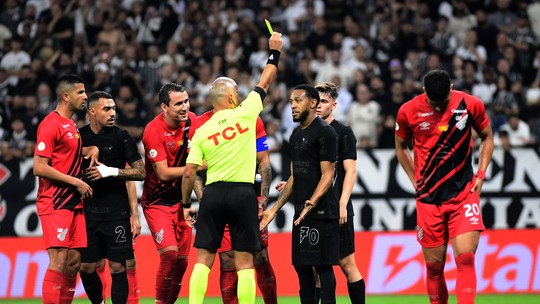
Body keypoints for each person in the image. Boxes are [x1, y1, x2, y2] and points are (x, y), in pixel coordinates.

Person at [181, 31, 283, 304]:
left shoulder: (201, 131)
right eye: (236, 92)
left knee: (203, 259)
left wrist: (184, 203)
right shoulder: (247, 113)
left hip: (213, 195)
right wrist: (274, 51)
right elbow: (266, 79)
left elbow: (190, 172)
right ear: (228, 98)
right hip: (242, 194)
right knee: (245, 262)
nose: (239, 95)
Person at [394, 69, 494, 304]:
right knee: (434, 269)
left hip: (463, 196)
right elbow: (401, 145)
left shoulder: (470, 104)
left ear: (451, 89)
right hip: (428, 201)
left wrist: (481, 174)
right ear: (423, 92)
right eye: (432, 102)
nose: (438, 107)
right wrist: (414, 179)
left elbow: (487, 136)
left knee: (466, 260)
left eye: (443, 102)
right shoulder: (408, 110)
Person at [260, 84, 340, 303]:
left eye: (298, 101)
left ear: (313, 103)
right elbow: (295, 177)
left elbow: (328, 174)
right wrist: (274, 210)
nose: (292, 105)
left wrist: (310, 204)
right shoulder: (295, 135)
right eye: (291, 101)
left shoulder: (325, 132)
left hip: (322, 212)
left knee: (323, 267)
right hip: (301, 214)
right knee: (302, 267)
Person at [192, 108, 277, 303]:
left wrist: (262, 199)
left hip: (248, 196)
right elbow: (193, 168)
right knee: (227, 259)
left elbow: (263, 161)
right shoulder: (201, 123)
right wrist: (202, 197)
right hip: (217, 198)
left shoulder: (250, 118)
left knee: (260, 256)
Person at [33, 74, 98, 304]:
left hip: (74, 203)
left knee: (73, 261)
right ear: (66, 96)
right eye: (81, 92)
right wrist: (76, 181)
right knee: (59, 260)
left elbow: (67, 153)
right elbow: (39, 167)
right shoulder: (50, 124)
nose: (86, 97)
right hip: (55, 200)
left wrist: (89, 149)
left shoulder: (71, 125)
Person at [78, 91, 145, 304]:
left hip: (116, 213)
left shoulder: (121, 136)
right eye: (107, 109)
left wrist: (112, 171)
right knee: (86, 267)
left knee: (118, 266)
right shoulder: (79, 137)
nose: (112, 113)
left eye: (114, 108)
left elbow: (141, 172)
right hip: (87, 213)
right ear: (92, 112)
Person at [141, 83, 196, 304]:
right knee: (170, 255)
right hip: (157, 201)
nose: (185, 107)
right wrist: (196, 167)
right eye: (178, 103)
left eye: (186, 101)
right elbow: (162, 173)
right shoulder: (153, 131)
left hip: (182, 201)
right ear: (164, 107)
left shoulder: (192, 121)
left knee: (182, 262)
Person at [315, 82, 366, 303]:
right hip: (314, 210)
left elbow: (351, 170)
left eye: (324, 101)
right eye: (316, 101)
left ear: (334, 105)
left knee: (347, 264)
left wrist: (343, 203)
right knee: (317, 268)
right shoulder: (305, 132)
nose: (318, 105)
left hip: (338, 207)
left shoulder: (343, 132)